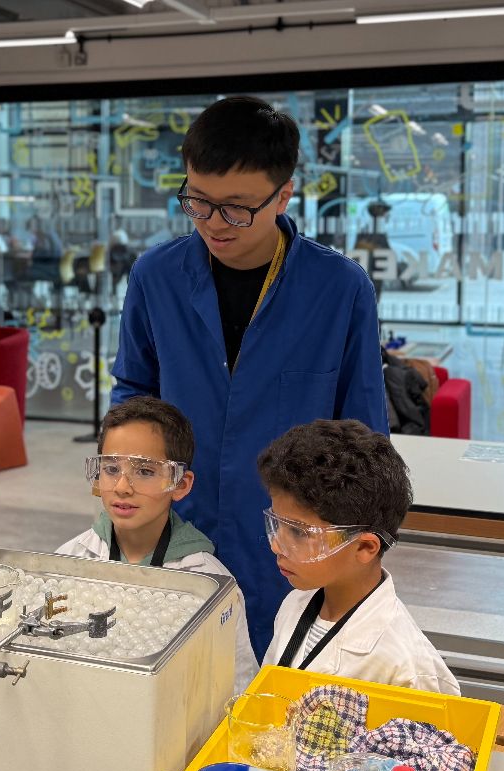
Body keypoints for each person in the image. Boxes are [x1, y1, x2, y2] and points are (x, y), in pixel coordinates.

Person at [111, 96, 389, 657]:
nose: (214, 223)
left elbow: (363, 433)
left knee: (277, 687)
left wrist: (357, 548)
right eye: (198, 202)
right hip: (176, 521)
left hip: (288, 536)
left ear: (283, 194)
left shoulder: (339, 288)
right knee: (170, 668)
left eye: (237, 208)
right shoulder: (156, 277)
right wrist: (124, 493)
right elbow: (132, 398)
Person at [55, 397, 259, 694]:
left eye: (145, 472)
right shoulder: (68, 560)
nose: (123, 487)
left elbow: (236, 686)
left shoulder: (209, 584)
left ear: (180, 484)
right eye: (111, 468)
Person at [255, 419, 457, 694]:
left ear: (364, 548)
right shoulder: (295, 604)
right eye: (276, 524)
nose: (276, 546)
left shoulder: (407, 669)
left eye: (299, 533)